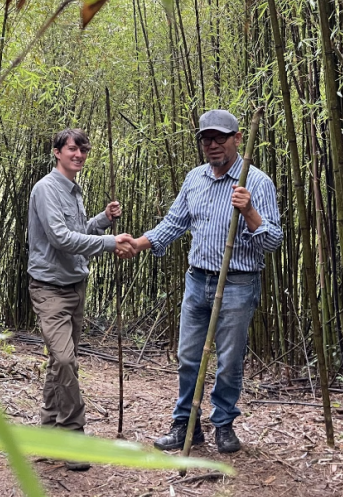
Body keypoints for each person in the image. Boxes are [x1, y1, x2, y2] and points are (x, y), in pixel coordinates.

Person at [119, 109, 282, 454]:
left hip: (238, 283)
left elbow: (272, 242)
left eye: (219, 138)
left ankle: (223, 424)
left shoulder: (257, 182)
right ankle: (186, 426)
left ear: (237, 139)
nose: (212, 145)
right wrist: (139, 243)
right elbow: (173, 223)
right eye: (206, 139)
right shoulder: (195, 178)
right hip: (197, 281)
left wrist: (250, 213)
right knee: (188, 356)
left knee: (230, 360)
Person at [27, 128, 135, 471]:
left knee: (60, 362)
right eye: (72, 149)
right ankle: (72, 436)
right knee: (64, 359)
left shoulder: (74, 191)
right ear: (57, 152)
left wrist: (103, 221)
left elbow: (79, 231)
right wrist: (110, 242)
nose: (79, 155)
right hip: (49, 288)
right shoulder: (46, 189)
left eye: (83, 150)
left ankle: (47, 430)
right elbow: (59, 238)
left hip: (75, 286)